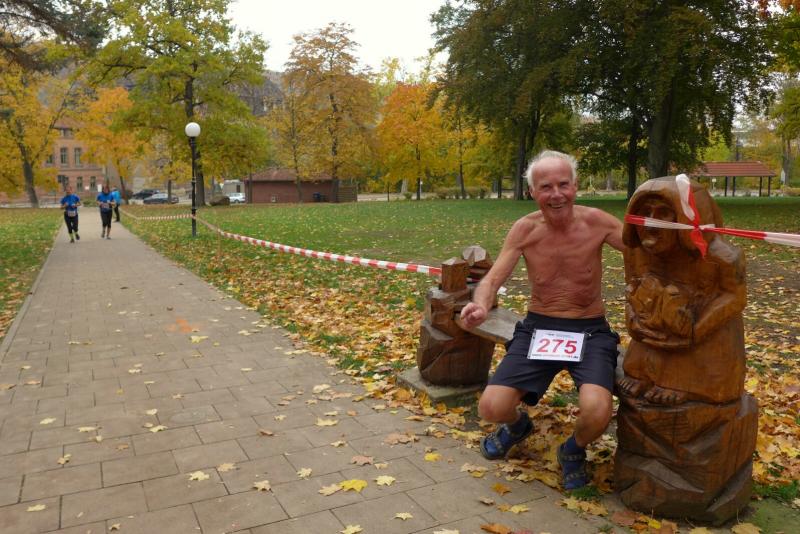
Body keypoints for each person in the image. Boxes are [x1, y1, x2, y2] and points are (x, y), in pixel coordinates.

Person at [460, 150, 624, 490]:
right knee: (491, 407)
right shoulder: (525, 229)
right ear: (532, 192)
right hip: (540, 328)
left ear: (575, 186)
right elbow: (492, 279)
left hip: (589, 330)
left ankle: (573, 449)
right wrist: (480, 305)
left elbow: (650, 251)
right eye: (546, 187)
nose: (556, 194)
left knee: (597, 411)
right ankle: (517, 427)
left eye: (563, 184)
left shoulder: (599, 222)